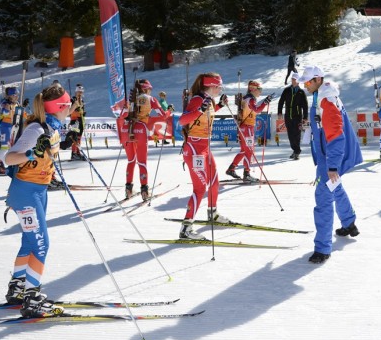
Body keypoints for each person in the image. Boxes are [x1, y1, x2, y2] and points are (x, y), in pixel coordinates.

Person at [3, 83, 77, 317]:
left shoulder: (53, 127)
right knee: (41, 244)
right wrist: (30, 153)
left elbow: (48, 150)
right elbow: (8, 158)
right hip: (26, 193)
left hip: (38, 191)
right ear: (60, 107)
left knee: (29, 242)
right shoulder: (37, 128)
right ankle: (33, 299)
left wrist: (65, 143)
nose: (71, 110)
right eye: (69, 106)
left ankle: (18, 289)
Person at [298, 65, 362, 263]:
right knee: (336, 188)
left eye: (308, 82)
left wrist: (332, 166)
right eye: (304, 82)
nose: (306, 85)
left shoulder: (326, 99)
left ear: (318, 79)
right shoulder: (320, 97)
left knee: (323, 199)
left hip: (331, 157)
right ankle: (349, 222)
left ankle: (323, 248)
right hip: (327, 155)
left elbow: (336, 135)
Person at [178, 73, 229, 238]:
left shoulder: (210, 101)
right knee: (200, 189)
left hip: (205, 147)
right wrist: (199, 109)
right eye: (219, 86)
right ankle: (186, 229)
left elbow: (207, 114)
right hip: (194, 149)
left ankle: (212, 214)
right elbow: (183, 120)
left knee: (214, 182)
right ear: (211, 86)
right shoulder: (197, 100)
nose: (220, 89)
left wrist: (220, 104)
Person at [117, 79, 169, 200]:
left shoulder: (130, 98)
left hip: (126, 128)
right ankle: (144, 191)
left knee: (131, 160)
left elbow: (122, 115)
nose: (150, 91)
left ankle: (128, 190)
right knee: (142, 162)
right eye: (149, 89)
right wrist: (169, 111)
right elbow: (162, 114)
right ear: (145, 89)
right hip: (140, 128)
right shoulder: (150, 99)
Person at [226, 80, 274, 182]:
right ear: (253, 89)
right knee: (249, 151)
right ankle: (246, 173)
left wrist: (265, 100)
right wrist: (265, 102)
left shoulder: (248, 98)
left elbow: (253, 109)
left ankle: (231, 168)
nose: (260, 91)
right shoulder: (250, 99)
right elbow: (257, 110)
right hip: (247, 128)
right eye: (259, 89)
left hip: (244, 127)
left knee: (244, 150)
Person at [278, 71, 308, 160]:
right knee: (290, 135)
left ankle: (297, 151)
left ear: (298, 81)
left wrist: (305, 117)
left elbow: (305, 106)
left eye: (295, 79)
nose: (293, 81)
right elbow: (281, 101)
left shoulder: (301, 92)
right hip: (288, 116)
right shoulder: (287, 90)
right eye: (292, 79)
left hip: (298, 116)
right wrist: (279, 112)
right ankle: (295, 150)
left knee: (297, 134)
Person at [0, 87, 20, 173]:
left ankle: (10, 163)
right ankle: (1, 165)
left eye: (17, 95)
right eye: (15, 95)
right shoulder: (4, 103)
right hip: (5, 127)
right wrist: (8, 106)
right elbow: (5, 112)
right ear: (10, 96)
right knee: (5, 146)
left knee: (13, 146)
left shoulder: (16, 103)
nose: (16, 97)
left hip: (14, 127)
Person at [68, 84, 86, 160]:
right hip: (74, 120)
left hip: (80, 120)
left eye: (81, 92)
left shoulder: (82, 100)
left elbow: (82, 110)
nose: (80, 93)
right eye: (79, 92)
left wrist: (83, 113)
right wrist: (76, 111)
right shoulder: (73, 100)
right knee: (74, 137)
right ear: (76, 92)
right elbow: (69, 111)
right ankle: (74, 153)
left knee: (79, 137)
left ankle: (78, 152)